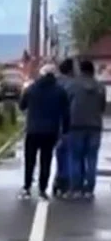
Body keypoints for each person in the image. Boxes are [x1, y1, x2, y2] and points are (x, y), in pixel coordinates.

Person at [18, 63, 70, 200]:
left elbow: (22, 106)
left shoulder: (31, 88)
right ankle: (42, 190)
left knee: (30, 160)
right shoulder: (60, 91)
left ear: (41, 74)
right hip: (51, 131)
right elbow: (66, 113)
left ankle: (27, 187)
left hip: (32, 130)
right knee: (45, 161)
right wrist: (65, 130)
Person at [67, 59, 106, 199]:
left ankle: (76, 189)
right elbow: (102, 107)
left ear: (81, 70)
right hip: (95, 126)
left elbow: (66, 103)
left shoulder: (73, 85)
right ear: (92, 70)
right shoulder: (100, 87)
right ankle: (89, 189)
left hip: (76, 125)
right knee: (92, 158)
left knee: (75, 157)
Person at [52, 58, 75, 197]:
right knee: (68, 153)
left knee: (60, 153)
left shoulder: (56, 83)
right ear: (71, 70)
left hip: (54, 123)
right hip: (70, 123)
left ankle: (59, 179)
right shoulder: (72, 84)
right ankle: (65, 181)